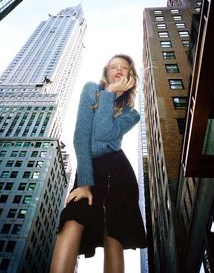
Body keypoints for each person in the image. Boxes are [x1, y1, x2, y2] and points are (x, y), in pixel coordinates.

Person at [50, 54, 147, 273]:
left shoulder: (132, 114)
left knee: (114, 233)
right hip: (90, 169)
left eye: (125, 68)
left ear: (130, 77)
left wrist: (110, 95)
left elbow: (103, 133)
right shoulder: (91, 89)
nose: (119, 70)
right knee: (73, 219)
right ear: (106, 73)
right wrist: (84, 183)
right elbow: (81, 137)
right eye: (114, 67)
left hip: (119, 172)